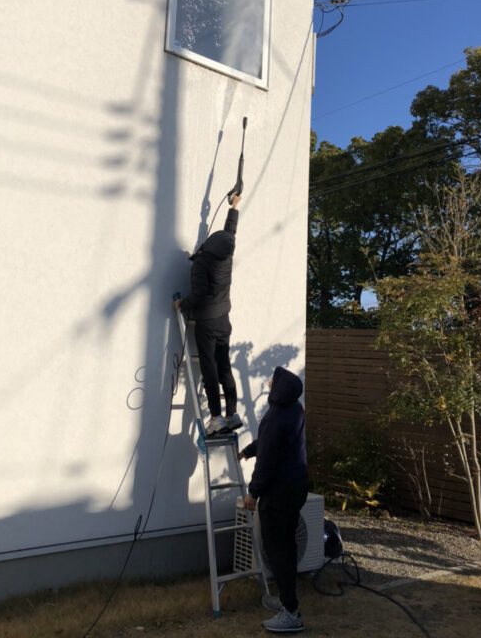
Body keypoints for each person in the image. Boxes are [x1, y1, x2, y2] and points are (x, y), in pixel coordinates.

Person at [240, 366, 309, 633]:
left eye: (272, 380)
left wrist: (253, 492)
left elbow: (268, 459)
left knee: (277, 551)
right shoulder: (294, 411)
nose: (269, 383)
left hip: (278, 494)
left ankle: (291, 613)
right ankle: (285, 600)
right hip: (295, 489)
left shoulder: (276, 416)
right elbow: (271, 443)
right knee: (287, 547)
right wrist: (249, 450)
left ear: (279, 387)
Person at [173, 195, 242, 436]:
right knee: (224, 365)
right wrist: (234, 207)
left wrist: (182, 304)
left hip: (208, 323)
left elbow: (200, 294)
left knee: (210, 368)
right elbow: (230, 233)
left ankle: (216, 417)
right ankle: (232, 414)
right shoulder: (227, 256)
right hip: (224, 320)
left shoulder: (201, 263)